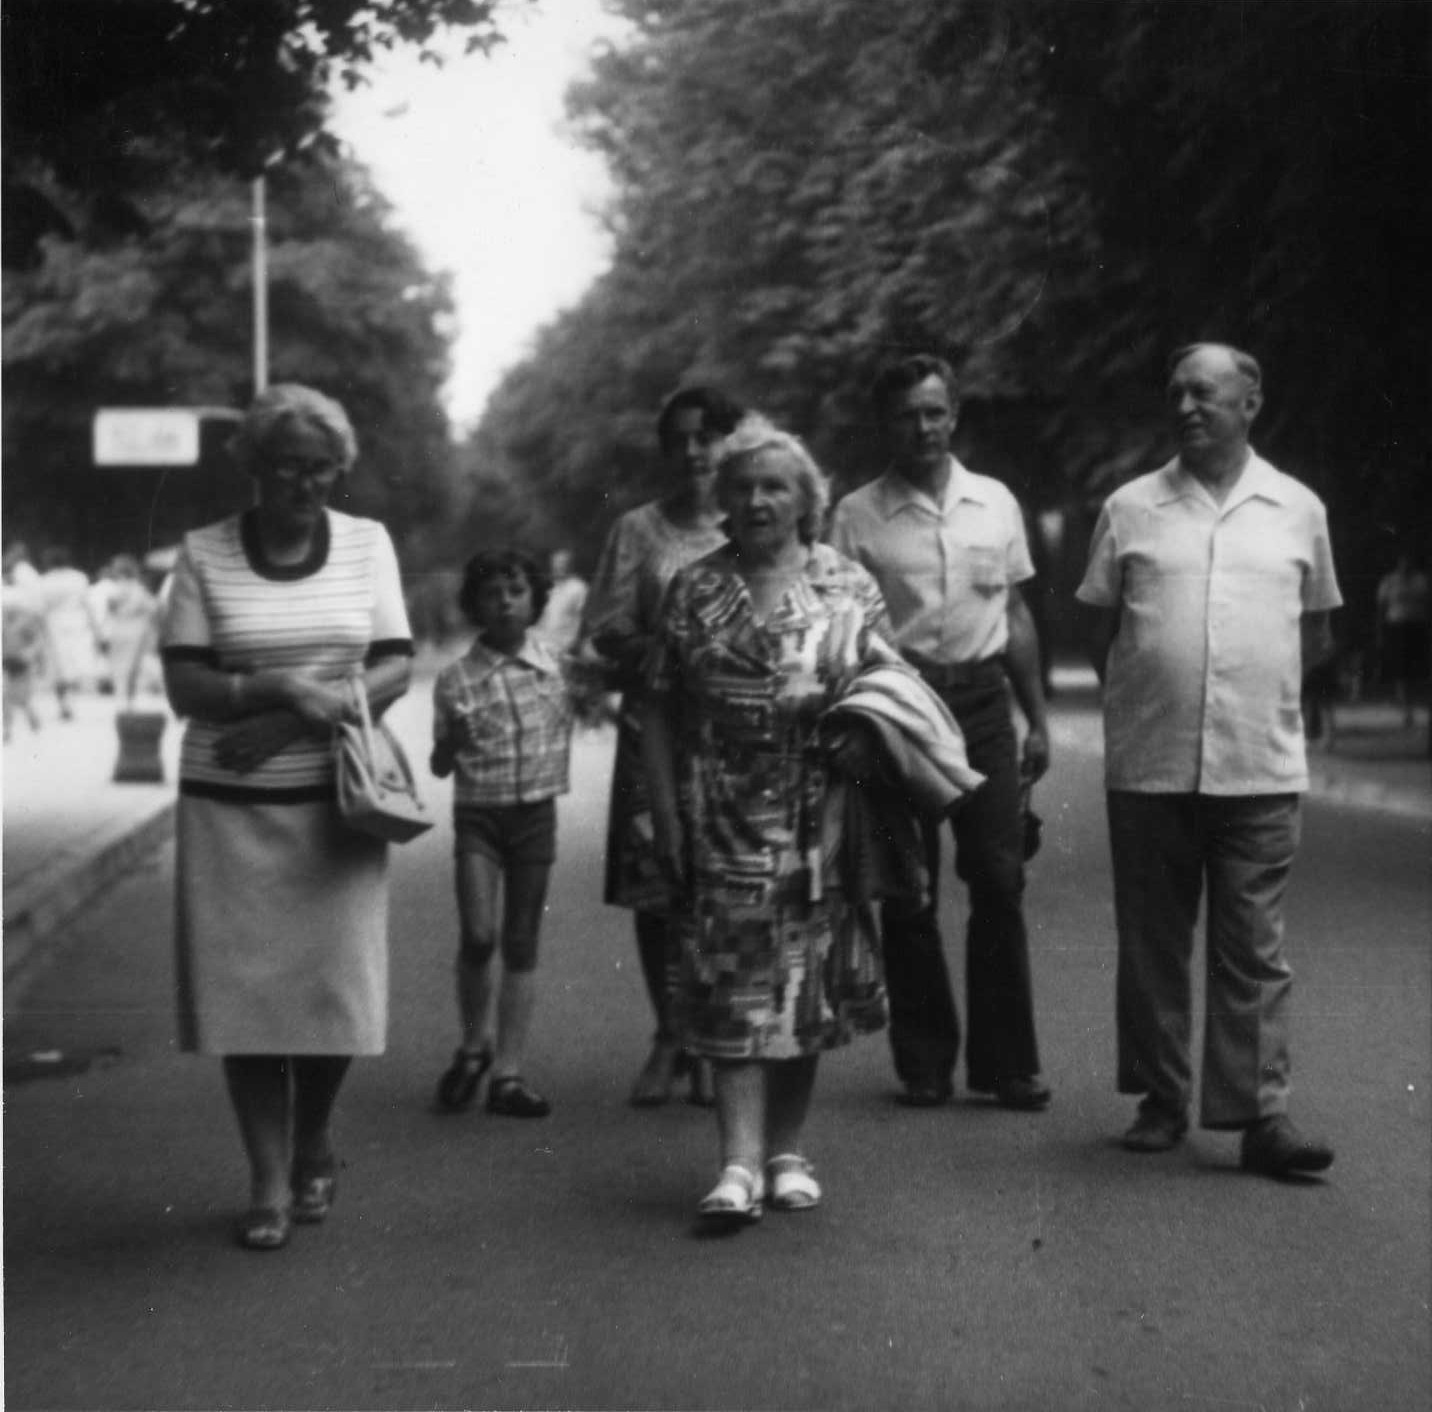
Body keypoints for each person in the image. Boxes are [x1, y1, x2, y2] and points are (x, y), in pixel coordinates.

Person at [1076, 342, 1340, 1178]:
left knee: (1254, 948)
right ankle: (1161, 1099)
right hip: (1151, 763)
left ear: (1250, 402)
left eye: (1204, 393)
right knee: (1153, 939)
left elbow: (1316, 632)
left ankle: (1260, 1115)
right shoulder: (1130, 508)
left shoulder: (1298, 509)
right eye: (1175, 392)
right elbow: (1100, 629)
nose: (1186, 406)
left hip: (1259, 763)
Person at [160, 383, 414, 1250]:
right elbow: (185, 683)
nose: (300, 483)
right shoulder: (204, 553)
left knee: (331, 996)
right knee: (247, 1003)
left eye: (318, 468)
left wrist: (297, 717)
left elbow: (394, 668)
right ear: (254, 466)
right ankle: (268, 1179)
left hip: (337, 805)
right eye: (282, 466)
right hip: (230, 811)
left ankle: (314, 1136)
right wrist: (275, 687)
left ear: (338, 470)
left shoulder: (366, 545)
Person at [642, 417, 897, 1224]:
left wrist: (855, 740)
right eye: (742, 487)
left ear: (805, 500)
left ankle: (786, 1152)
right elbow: (650, 707)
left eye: (773, 486)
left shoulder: (847, 584)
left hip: (819, 811)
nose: (756, 500)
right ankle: (737, 1165)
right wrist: (665, 815)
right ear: (723, 499)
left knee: (804, 987)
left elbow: (890, 691)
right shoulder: (694, 587)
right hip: (719, 805)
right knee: (730, 986)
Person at [830, 353, 1053, 1111]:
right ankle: (925, 1060)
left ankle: (1008, 1064)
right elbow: (844, 627)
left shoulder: (995, 502)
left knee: (998, 878)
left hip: (985, 703)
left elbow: (1016, 616)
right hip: (901, 706)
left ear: (954, 415)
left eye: (933, 411)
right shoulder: (856, 516)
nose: (922, 427)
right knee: (909, 889)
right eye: (905, 415)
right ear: (884, 424)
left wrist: (1037, 720)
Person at [580, 385, 745, 1107]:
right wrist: (660, 647)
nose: (693, 450)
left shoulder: (759, 517)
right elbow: (606, 629)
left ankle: (714, 1036)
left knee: (725, 885)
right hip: (655, 728)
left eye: (707, 436)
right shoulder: (638, 531)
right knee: (658, 889)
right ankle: (670, 1031)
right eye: (679, 438)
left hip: (737, 736)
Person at [430, 549, 576, 1120]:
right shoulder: (456, 679)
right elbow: (441, 765)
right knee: (478, 933)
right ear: (475, 605)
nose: (505, 602)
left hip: (535, 817)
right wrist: (453, 739)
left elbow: (593, 702)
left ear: (536, 599)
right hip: (480, 817)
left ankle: (508, 1073)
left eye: (516, 590)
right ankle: (474, 1045)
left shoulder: (558, 668)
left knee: (520, 940)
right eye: (491, 593)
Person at [38, 545, 100, 718]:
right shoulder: (79, 578)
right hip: (77, 623)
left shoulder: (45, 580)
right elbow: (88, 605)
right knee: (74, 666)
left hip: (54, 624)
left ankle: (64, 703)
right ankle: (69, 701)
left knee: (58, 666)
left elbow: (42, 609)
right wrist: (96, 631)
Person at [1376, 552, 1429, 728]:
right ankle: (1407, 709)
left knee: (1416, 671)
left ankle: (1415, 705)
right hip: (1396, 627)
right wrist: (1381, 630)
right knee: (1400, 670)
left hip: (1416, 626)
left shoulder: (1421, 581)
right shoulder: (1390, 581)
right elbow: (1381, 607)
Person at [101, 554, 160, 705]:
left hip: (119, 629)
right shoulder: (139, 588)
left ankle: (122, 698)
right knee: (133, 667)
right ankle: (129, 699)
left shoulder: (114, 588)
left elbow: (110, 610)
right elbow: (153, 608)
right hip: (137, 630)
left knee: (120, 666)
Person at [534, 548, 589, 653]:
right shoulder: (547, 585)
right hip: (536, 640)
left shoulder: (579, 587)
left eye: (562, 563)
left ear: (570, 566)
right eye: (555, 563)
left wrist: (572, 645)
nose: (558, 566)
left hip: (559, 646)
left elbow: (584, 620)